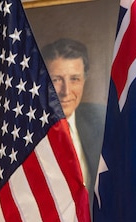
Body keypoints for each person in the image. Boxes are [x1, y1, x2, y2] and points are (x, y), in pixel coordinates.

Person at [41, 37, 106, 206]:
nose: (66, 91)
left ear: (84, 79)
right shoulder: (20, 132)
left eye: (74, 79)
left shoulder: (101, 119)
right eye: (56, 80)